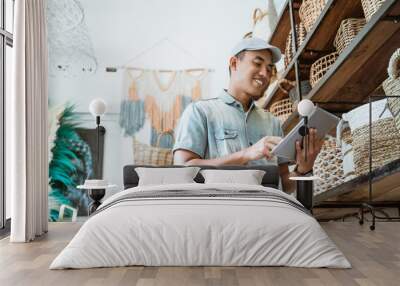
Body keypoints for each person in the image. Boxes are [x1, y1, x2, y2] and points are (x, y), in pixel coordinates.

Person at [172, 37, 323, 193]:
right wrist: (247, 154)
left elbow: (284, 185)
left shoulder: (273, 123)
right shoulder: (200, 112)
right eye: (257, 64)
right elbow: (183, 170)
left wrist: (302, 169)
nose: (265, 73)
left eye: (270, 68)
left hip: (267, 212)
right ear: (234, 64)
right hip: (219, 210)